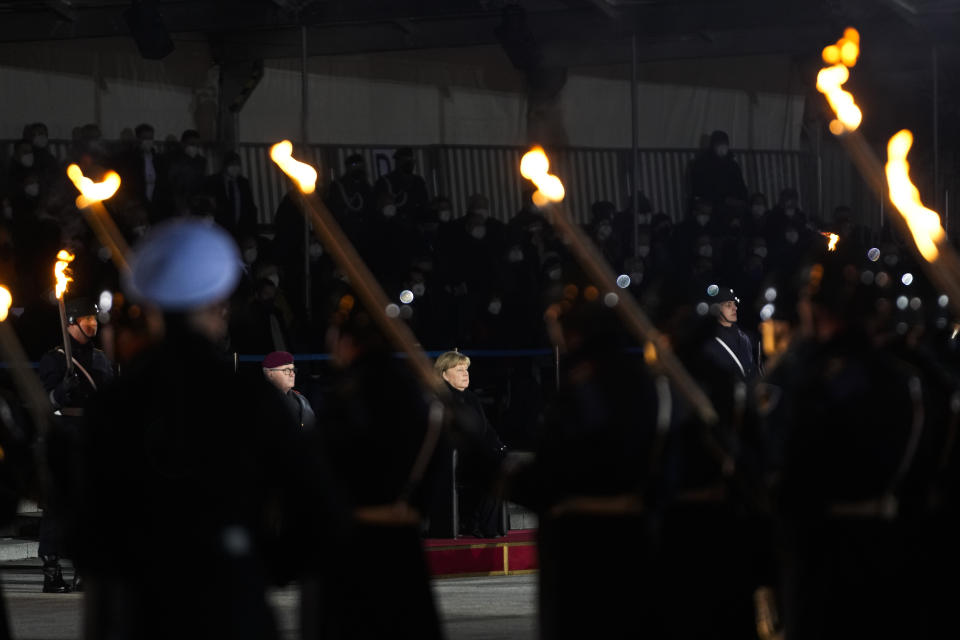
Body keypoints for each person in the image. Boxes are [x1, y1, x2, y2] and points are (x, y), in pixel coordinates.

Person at [77, 220, 327, 639]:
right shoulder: (251, 398)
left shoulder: (115, 403)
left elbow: (87, 535)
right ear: (218, 306)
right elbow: (314, 508)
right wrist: (260, 564)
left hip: (143, 612)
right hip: (233, 604)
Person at [37, 296, 113, 593]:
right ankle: (52, 569)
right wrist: (61, 391)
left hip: (92, 434)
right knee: (57, 503)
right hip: (65, 431)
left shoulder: (100, 359)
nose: (92, 324)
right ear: (71, 324)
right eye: (86, 320)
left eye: (94, 319)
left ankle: (85, 569)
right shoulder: (53, 359)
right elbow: (44, 401)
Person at [435, 351, 507, 538]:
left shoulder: (472, 398)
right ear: (444, 374)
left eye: (466, 369)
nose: (465, 373)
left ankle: (484, 526)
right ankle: (478, 524)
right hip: (452, 460)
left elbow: (487, 430)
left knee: (501, 463)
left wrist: (499, 447)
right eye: (459, 370)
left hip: (475, 457)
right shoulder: (441, 399)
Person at [702, 286, 759, 382]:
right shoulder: (711, 348)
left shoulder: (747, 337)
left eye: (734, 304)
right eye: (728, 305)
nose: (734, 308)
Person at [206, 151, 258, 241]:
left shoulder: (243, 183)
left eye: (238, 165)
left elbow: (250, 207)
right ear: (225, 166)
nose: (235, 168)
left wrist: (251, 232)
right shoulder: (213, 181)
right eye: (232, 164)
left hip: (240, 231)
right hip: (219, 231)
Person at [262, 350, 315, 430]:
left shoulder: (302, 399)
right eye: (286, 370)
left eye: (293, 370)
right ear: (270, 374)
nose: (292, 373)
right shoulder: (263, 402)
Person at [374, 147, 429, 219]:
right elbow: (379, 207)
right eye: (404, 160)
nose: (409, 163)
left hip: (415, 224)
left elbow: (424, 205)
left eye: (411, 160)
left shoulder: (418, 181)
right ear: (397, 162)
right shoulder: (385, 181)